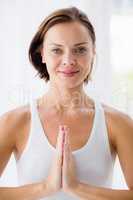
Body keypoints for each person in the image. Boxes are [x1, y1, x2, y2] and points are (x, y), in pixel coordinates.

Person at [0, 6, 133, 200]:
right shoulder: (14, 122)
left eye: (80, 49)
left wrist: (77, 188)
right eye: (56, 50)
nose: (69, 60)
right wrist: (46, 187)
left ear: (93, 53)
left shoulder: (118, 123)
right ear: (42, 54)